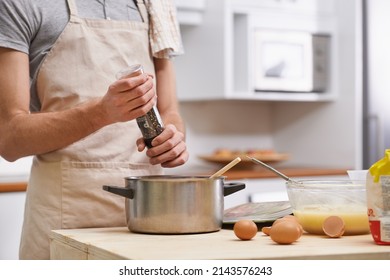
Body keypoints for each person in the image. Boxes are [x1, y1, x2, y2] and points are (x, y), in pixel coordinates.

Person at [0, 0, 189, 259]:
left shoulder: (156, 6)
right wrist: (101, 113)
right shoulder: (21, 4)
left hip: (148, 217)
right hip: (65, 217)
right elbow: (9, 138)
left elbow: (170, 111)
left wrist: (174, 138)